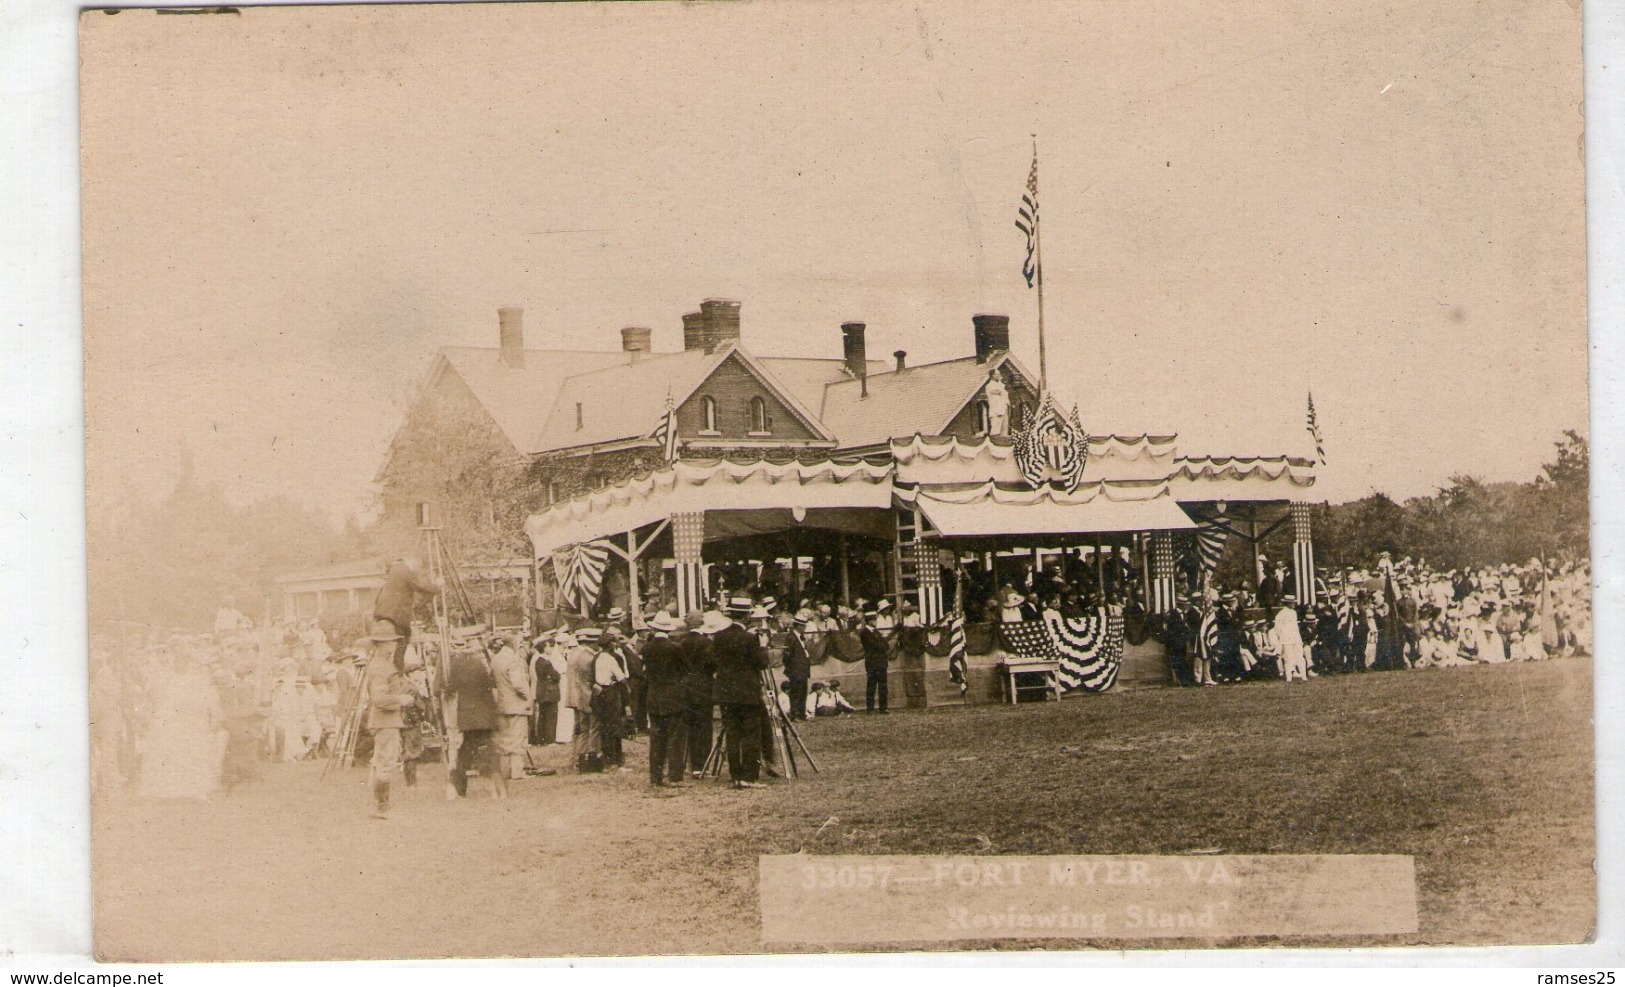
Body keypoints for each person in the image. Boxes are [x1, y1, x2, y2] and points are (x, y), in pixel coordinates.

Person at [709, 601, 769, 789]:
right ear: (746, 616)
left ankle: (736, 775)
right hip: (747, 693)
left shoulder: (719, 637)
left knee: (732, 735)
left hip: (726, 693)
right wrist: (763, 646)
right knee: (751, 734)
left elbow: (714, 661)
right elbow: (761, 663)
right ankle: (749, 776)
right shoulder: (749, 638)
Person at [362, 627, 417, 818]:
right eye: (392, 641)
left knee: (381, 762)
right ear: (383, 644)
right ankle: (381, 807)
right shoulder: (381, 667)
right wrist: (401, 700)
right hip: (385, 721)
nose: (395, 645)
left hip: (385, 720)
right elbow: (379, 698)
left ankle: (376, 805)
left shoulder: (381, 664)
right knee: (386, 762)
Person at [444, 638, 504, 799]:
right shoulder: (480, 665)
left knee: (465, 752)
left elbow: (449, 689)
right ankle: (496, 789)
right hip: (484, 717)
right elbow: (491, 685)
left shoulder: (455, 666)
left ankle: (458, 787)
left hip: (468, 718)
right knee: (488, 751)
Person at [641, 612, 689, 787]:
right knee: (675, 737)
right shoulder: (675, 648)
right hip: (673, 696)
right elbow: (685, 669)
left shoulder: (646, 648)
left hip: (654, 696)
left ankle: (656, 776)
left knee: (656, 738)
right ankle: (675, 775)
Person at [373, 558, 441, 670]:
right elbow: (421, 586)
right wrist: (437, 587)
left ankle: (397, 666)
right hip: (394, 614)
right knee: (404, 636)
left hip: (382, 614)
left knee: (393, 640)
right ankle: (398, 669)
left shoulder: (392, 575)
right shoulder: (404, 570)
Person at [490, 632, 533, 782]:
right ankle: (517, 771)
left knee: (504, 740)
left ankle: (505, 771)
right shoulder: (513, 659)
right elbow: (518, 683)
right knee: (518, 738)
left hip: (501, 703)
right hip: (516, 704)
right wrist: (526, 697)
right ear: (513, 643)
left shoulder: (495, 659)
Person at [678, 610, 716, 779]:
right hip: (703, 687)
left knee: (690, 725)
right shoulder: (706, 642)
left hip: (686, 686)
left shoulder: (681, 642)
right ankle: (701, 765)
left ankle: (692, 764)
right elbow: (712, 664)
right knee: (704, 725)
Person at [565, 627, 604, 774]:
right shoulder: (589, 658)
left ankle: (579, 760)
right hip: (589, 697)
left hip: (580, 697)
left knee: (582, 730)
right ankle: (592, 760)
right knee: (593, 729)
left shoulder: (576, 656)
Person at [594, 626, 631, 771]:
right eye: (613, 643)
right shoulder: (611, 659)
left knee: (605, 728)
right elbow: (621, 678)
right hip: (611, 693)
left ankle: (608, 762)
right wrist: (627, 695)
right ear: (609, 645)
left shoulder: (597, 658)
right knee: (614, 727)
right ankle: (615, 762)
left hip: (600, 693)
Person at [529, 634, 562, 746]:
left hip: (541, 691)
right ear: (544, 647)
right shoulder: (546, 662)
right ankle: (550, 740)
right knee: (551, 716)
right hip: (550, 692)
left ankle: (541, 740)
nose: (551, 648)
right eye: (549, 646)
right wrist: (556, 676)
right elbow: (556, 676)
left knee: (543, 716)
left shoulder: (538, 660)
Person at [783, 610, 814, 722]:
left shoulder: (801, 637)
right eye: (803, 626)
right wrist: (791, 668)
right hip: (795, 670)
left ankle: (802, 713)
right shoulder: (791, 637)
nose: (805, 628)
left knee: (802, 692)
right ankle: (795, 714)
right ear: (798, 626)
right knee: (795, 692)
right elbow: (787, 656)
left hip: (802, 669)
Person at [1272, 593, 1309, 682]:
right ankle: (1289, 678)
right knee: (1288, 658)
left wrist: (1298, 638)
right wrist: (1282, 636)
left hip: (1295, 638)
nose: (1294, 604)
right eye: (1292, 603)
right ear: (1287, 603)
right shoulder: (1281, 614)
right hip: (1286, 639)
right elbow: (1277, 628)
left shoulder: (1294, 612)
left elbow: (1295, 627)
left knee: (1300, 657)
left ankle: (1303, 676)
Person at [859, 608, 890, 713]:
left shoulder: (876, 632)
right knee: (871, 686)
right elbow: (874, 645)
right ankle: (870, 708)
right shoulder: (864, 633)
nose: (876, 622)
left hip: (881, 662)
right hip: (872, 663)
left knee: (883, 686)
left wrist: (881, 645)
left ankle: (883, 708)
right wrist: (881, 645)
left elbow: (886, 645)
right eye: (874, 620)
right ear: (869, 621)